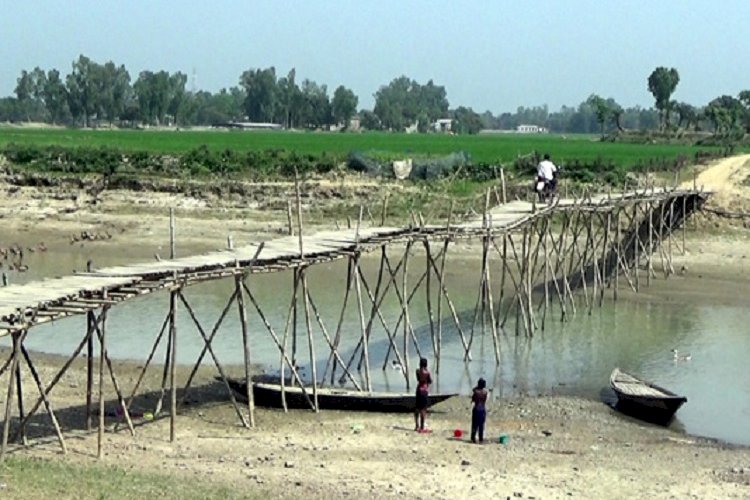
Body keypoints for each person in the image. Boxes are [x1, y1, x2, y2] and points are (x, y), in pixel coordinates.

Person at [414, 358, 432, 432]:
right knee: (423, 409)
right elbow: (430, 381)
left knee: (417, 408)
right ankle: (422, 427)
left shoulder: (417, 371)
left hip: (418, 390)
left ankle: (417, 425)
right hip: (424, 390)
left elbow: (418, 379)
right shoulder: (427, 372)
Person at [470, 378, 488, 443]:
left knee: (474, 424)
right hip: (482, 409)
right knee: (481, 425)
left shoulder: (476, 392)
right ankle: (481, 439)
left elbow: (473, 399)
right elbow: (484, 400)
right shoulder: (485, 392)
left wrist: (475, 389)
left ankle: (473, 438)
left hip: (476, 409)